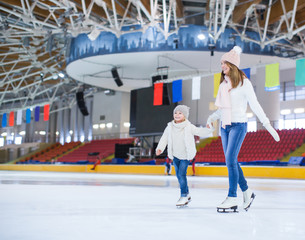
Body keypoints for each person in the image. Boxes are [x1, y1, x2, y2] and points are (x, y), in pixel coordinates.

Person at [206, 46, 280, 212]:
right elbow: (222, 109)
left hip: (239, 126)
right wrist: (211, 118)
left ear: (232, 65)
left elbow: (255, 105)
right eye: (221, 63)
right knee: (231, 161)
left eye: (224, 63)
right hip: (224, 127)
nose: (222, 66)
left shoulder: (244, 83)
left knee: (230, 160)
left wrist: (267, 125)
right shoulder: (223, 85)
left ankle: (232, 197)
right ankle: (247, 191)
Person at [156, 105, 214, 207]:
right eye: (175, 113)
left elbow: (199, 131)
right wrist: (159, 148)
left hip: (185, 156)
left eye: (180, 113)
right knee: (179, 176)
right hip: (175, 155)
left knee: (182, 174)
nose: (177, 115)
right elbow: (164, 138)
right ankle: (187, 194)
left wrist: (209, 129)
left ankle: (183, 195)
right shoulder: (169, 127)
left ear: (185, 116)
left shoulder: (188, 126)